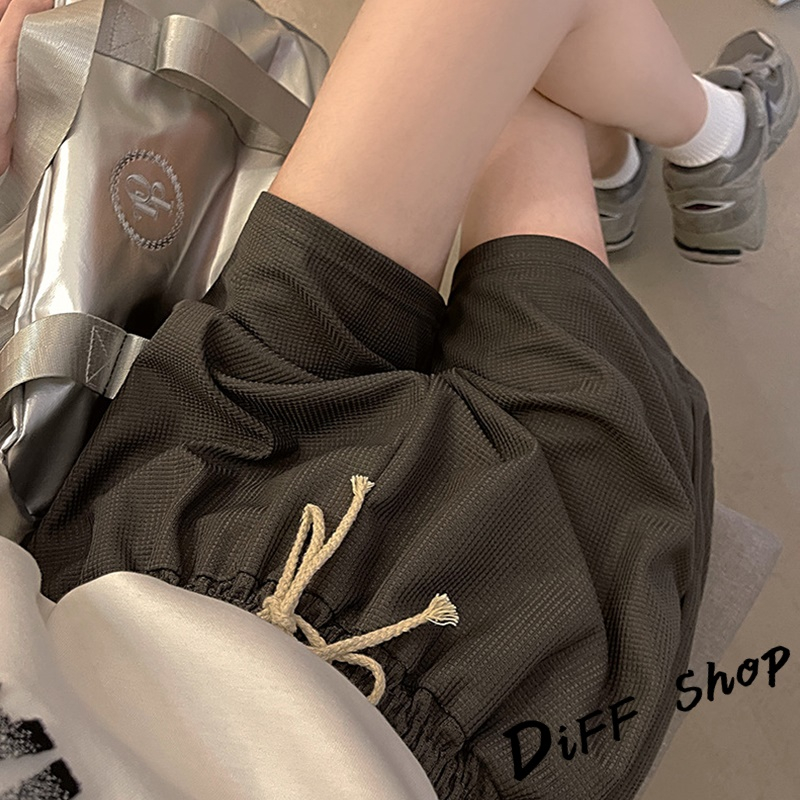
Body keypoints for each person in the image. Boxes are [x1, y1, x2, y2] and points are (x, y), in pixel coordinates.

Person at [7, 0, 797, 798]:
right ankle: (709, 137)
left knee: (490, 45)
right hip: (483, 685)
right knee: (514, 86)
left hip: (170, 516)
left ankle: (660, 152)